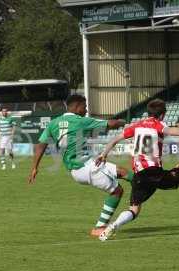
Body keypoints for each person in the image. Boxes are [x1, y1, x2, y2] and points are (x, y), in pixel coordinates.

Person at [95, 99, 179, 241]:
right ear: (162, 115)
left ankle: (112, 227)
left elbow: (114, 140)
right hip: (154, 173)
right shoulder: (158, 124)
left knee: (134, 210)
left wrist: (103, 154)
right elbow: (169, 130)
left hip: (139, 175)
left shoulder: (136, 125)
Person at [28, 95, 133, 236]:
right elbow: (111, 124)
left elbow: (41, 145)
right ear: (76, 107)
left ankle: (143, 192)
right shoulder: (81, 121)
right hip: (83, 168)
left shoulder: (53, 123)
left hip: (86, 164)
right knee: (117, 191)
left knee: (125, 173)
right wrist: (123, 122)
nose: (86, 109)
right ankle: (99, 227)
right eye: (84, 106)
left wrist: (35, 167)